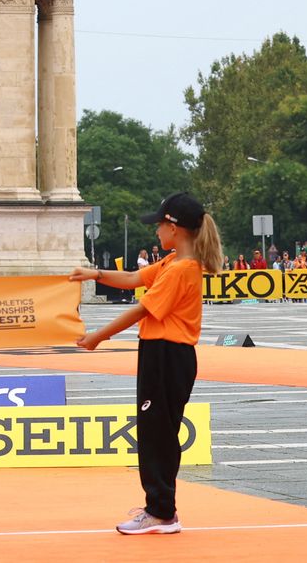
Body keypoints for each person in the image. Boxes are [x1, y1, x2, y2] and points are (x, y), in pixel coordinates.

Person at [68, 192, 224, 535]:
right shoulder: (172, 263)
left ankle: (161, 511)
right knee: (156, 431)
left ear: (175, 228)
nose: (155, 232)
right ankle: (160, 508)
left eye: (159, 225)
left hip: (168, 354)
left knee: (157, 434)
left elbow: (142, 308)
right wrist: (93, 274)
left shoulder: (182, 269)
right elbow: (130, 280)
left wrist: (98, 336)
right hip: (161, 353)